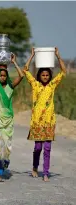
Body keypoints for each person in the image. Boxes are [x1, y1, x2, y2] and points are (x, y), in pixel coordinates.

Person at [23, 47, 66, 182]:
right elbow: (25, 70)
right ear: (39, 76)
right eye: (43, 75)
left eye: (47, 75)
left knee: (47, 148)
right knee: (37, 148)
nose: (45, 77)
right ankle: (35, 167)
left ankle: (46, 172)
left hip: (49, 122)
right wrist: (32, 56)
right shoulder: (35, 85)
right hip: (37, 122)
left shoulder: (52, 85)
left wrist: (58, 56)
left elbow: (63, 71)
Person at [0, 53, 24, 182]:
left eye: (4, 75)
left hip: (8, 122)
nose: (2, 77)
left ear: (7, 77)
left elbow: (21, 76)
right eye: (0, 75)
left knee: (5, 148)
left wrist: (14, 62)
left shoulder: (10, 87)